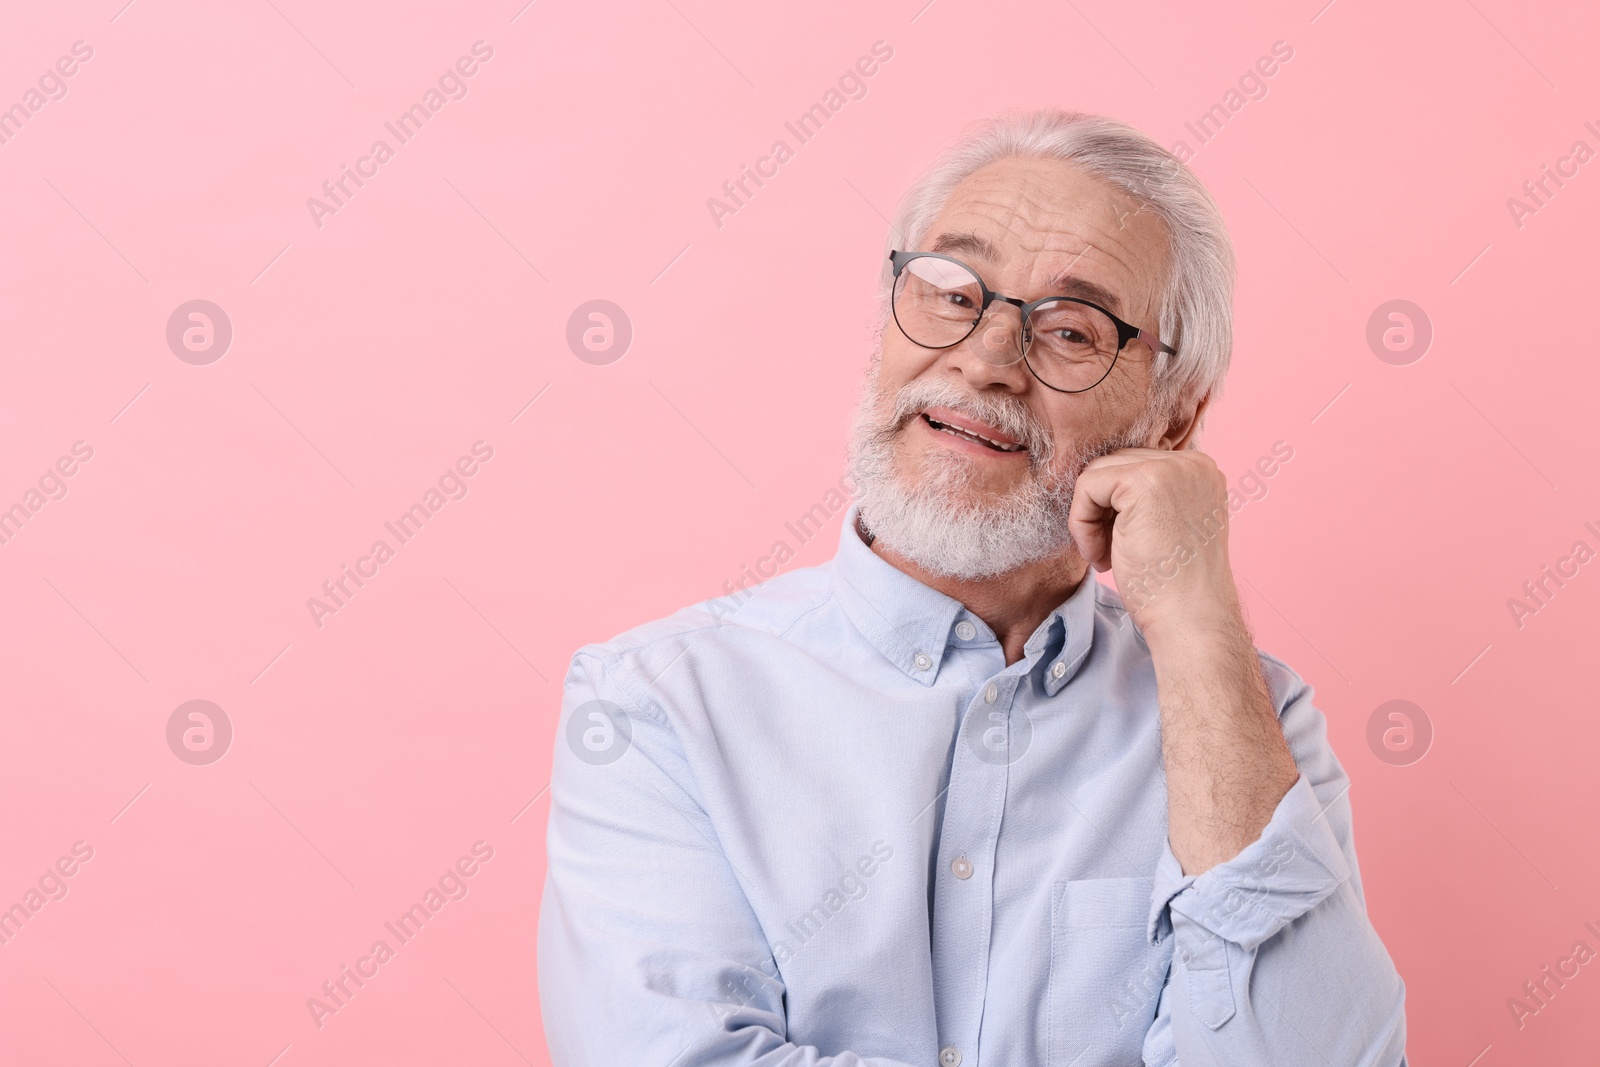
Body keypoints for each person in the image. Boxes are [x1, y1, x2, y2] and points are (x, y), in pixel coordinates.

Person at [538, 108, 1407, 1066]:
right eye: (952, 291)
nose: (986, 360)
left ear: (1172, 418)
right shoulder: (655, 705)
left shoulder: (1259, 723)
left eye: (1071, 330)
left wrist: (1198, 622)